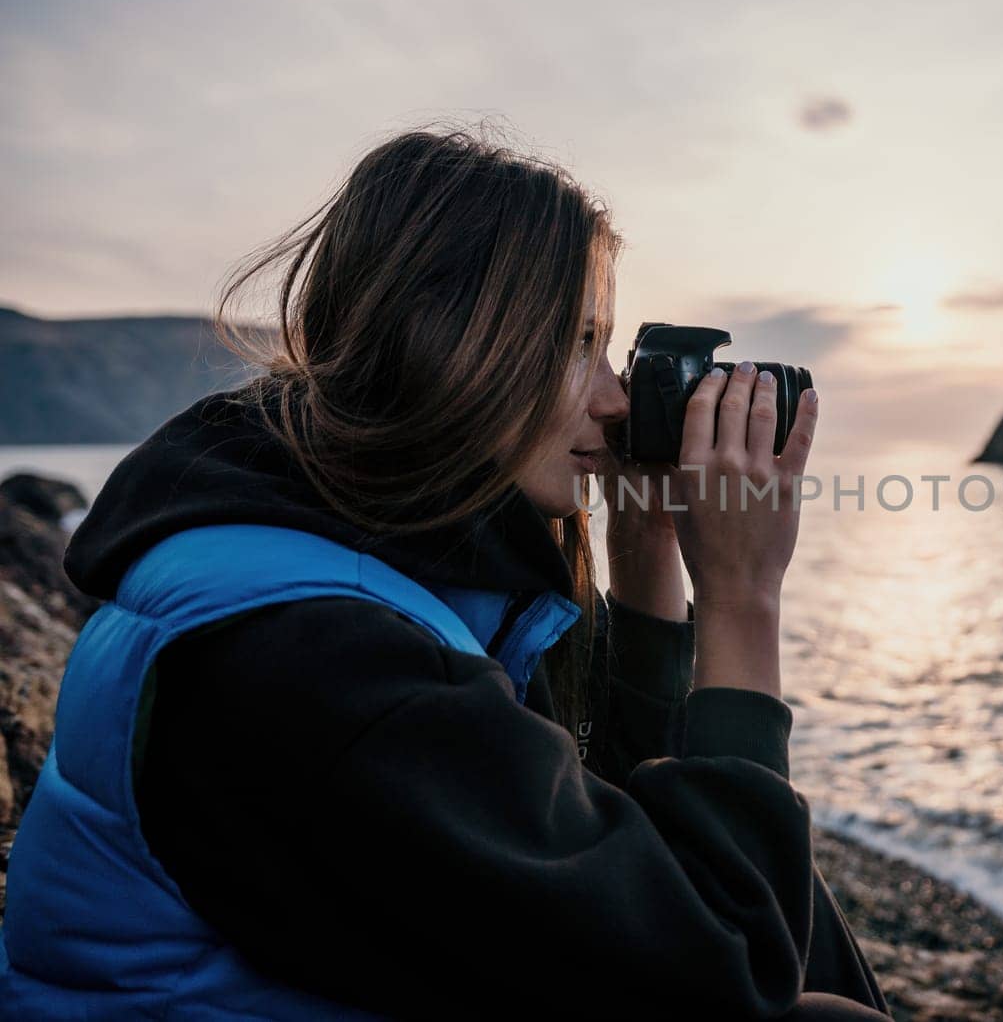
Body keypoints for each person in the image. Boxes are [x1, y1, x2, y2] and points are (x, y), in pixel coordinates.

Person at [0, 124, 891, 1020]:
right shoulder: (319, 659)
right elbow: (722, 972)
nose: (616, 400)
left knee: (797, 920)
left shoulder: (357, 552)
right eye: (580, 343)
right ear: (453, 344)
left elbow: (612, 824)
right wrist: (742, 599)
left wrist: (648, 544)